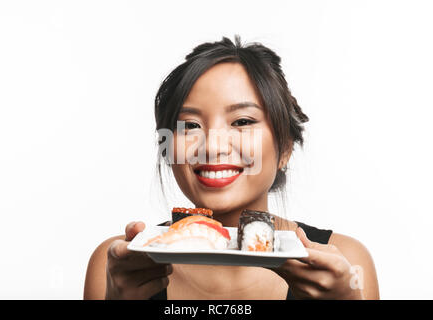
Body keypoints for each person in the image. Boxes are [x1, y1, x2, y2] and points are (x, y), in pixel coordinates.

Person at [83, 35, 379, 300]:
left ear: (285, 148)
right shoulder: (118, 266)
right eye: (190, 126)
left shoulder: (345, 264)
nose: (212, 146)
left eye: (242, 122)